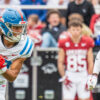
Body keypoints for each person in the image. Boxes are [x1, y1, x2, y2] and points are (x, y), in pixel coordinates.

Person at [0, 8, 34, 100]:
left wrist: (2, 68)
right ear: (4, 26)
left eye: (21, 27)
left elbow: (12, 76)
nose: (19, 31)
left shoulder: (25, 45)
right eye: (16, 27)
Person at [58, 20, 94, 100]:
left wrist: (89, 77)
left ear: (81, 30)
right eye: (73, 29)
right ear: (69, 30)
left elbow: (90, 62)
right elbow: (60, 62)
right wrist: (64, 77)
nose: (75, 32)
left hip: (83, 74)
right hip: (70, 74)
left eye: (77, 29)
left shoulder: (88, 41)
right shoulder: (64, 42)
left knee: (85, 98)